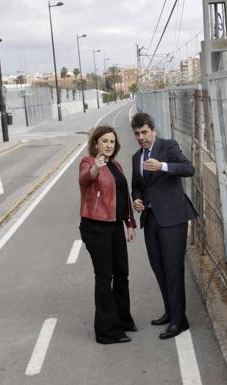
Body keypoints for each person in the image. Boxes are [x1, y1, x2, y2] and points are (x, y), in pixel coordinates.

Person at [130, 112, 198, 340]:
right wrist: (136, 199)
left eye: (144, 132)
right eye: (137, 134)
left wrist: (163, 166)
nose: (141, 137)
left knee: (173, 269)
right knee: (159, 269)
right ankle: (171, 312)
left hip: (173, 219)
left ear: (153, 131)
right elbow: (137, 186)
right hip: (150, 220)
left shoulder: (168, 146)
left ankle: (180, 322)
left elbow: (188, 168)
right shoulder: (135, 158)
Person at [78, 126, 137, 344]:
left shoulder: (117, 165)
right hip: (95, 228)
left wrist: (129, 223)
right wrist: (95, 168)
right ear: (95, 144)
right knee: (104, 277)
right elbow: (85, 179)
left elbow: (124, 197)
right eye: (104, 141)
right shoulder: (88, 162)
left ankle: (123, 320)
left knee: (122, 274)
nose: (109, 145)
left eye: (112, 141)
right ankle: (106, 331)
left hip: (115, 228)